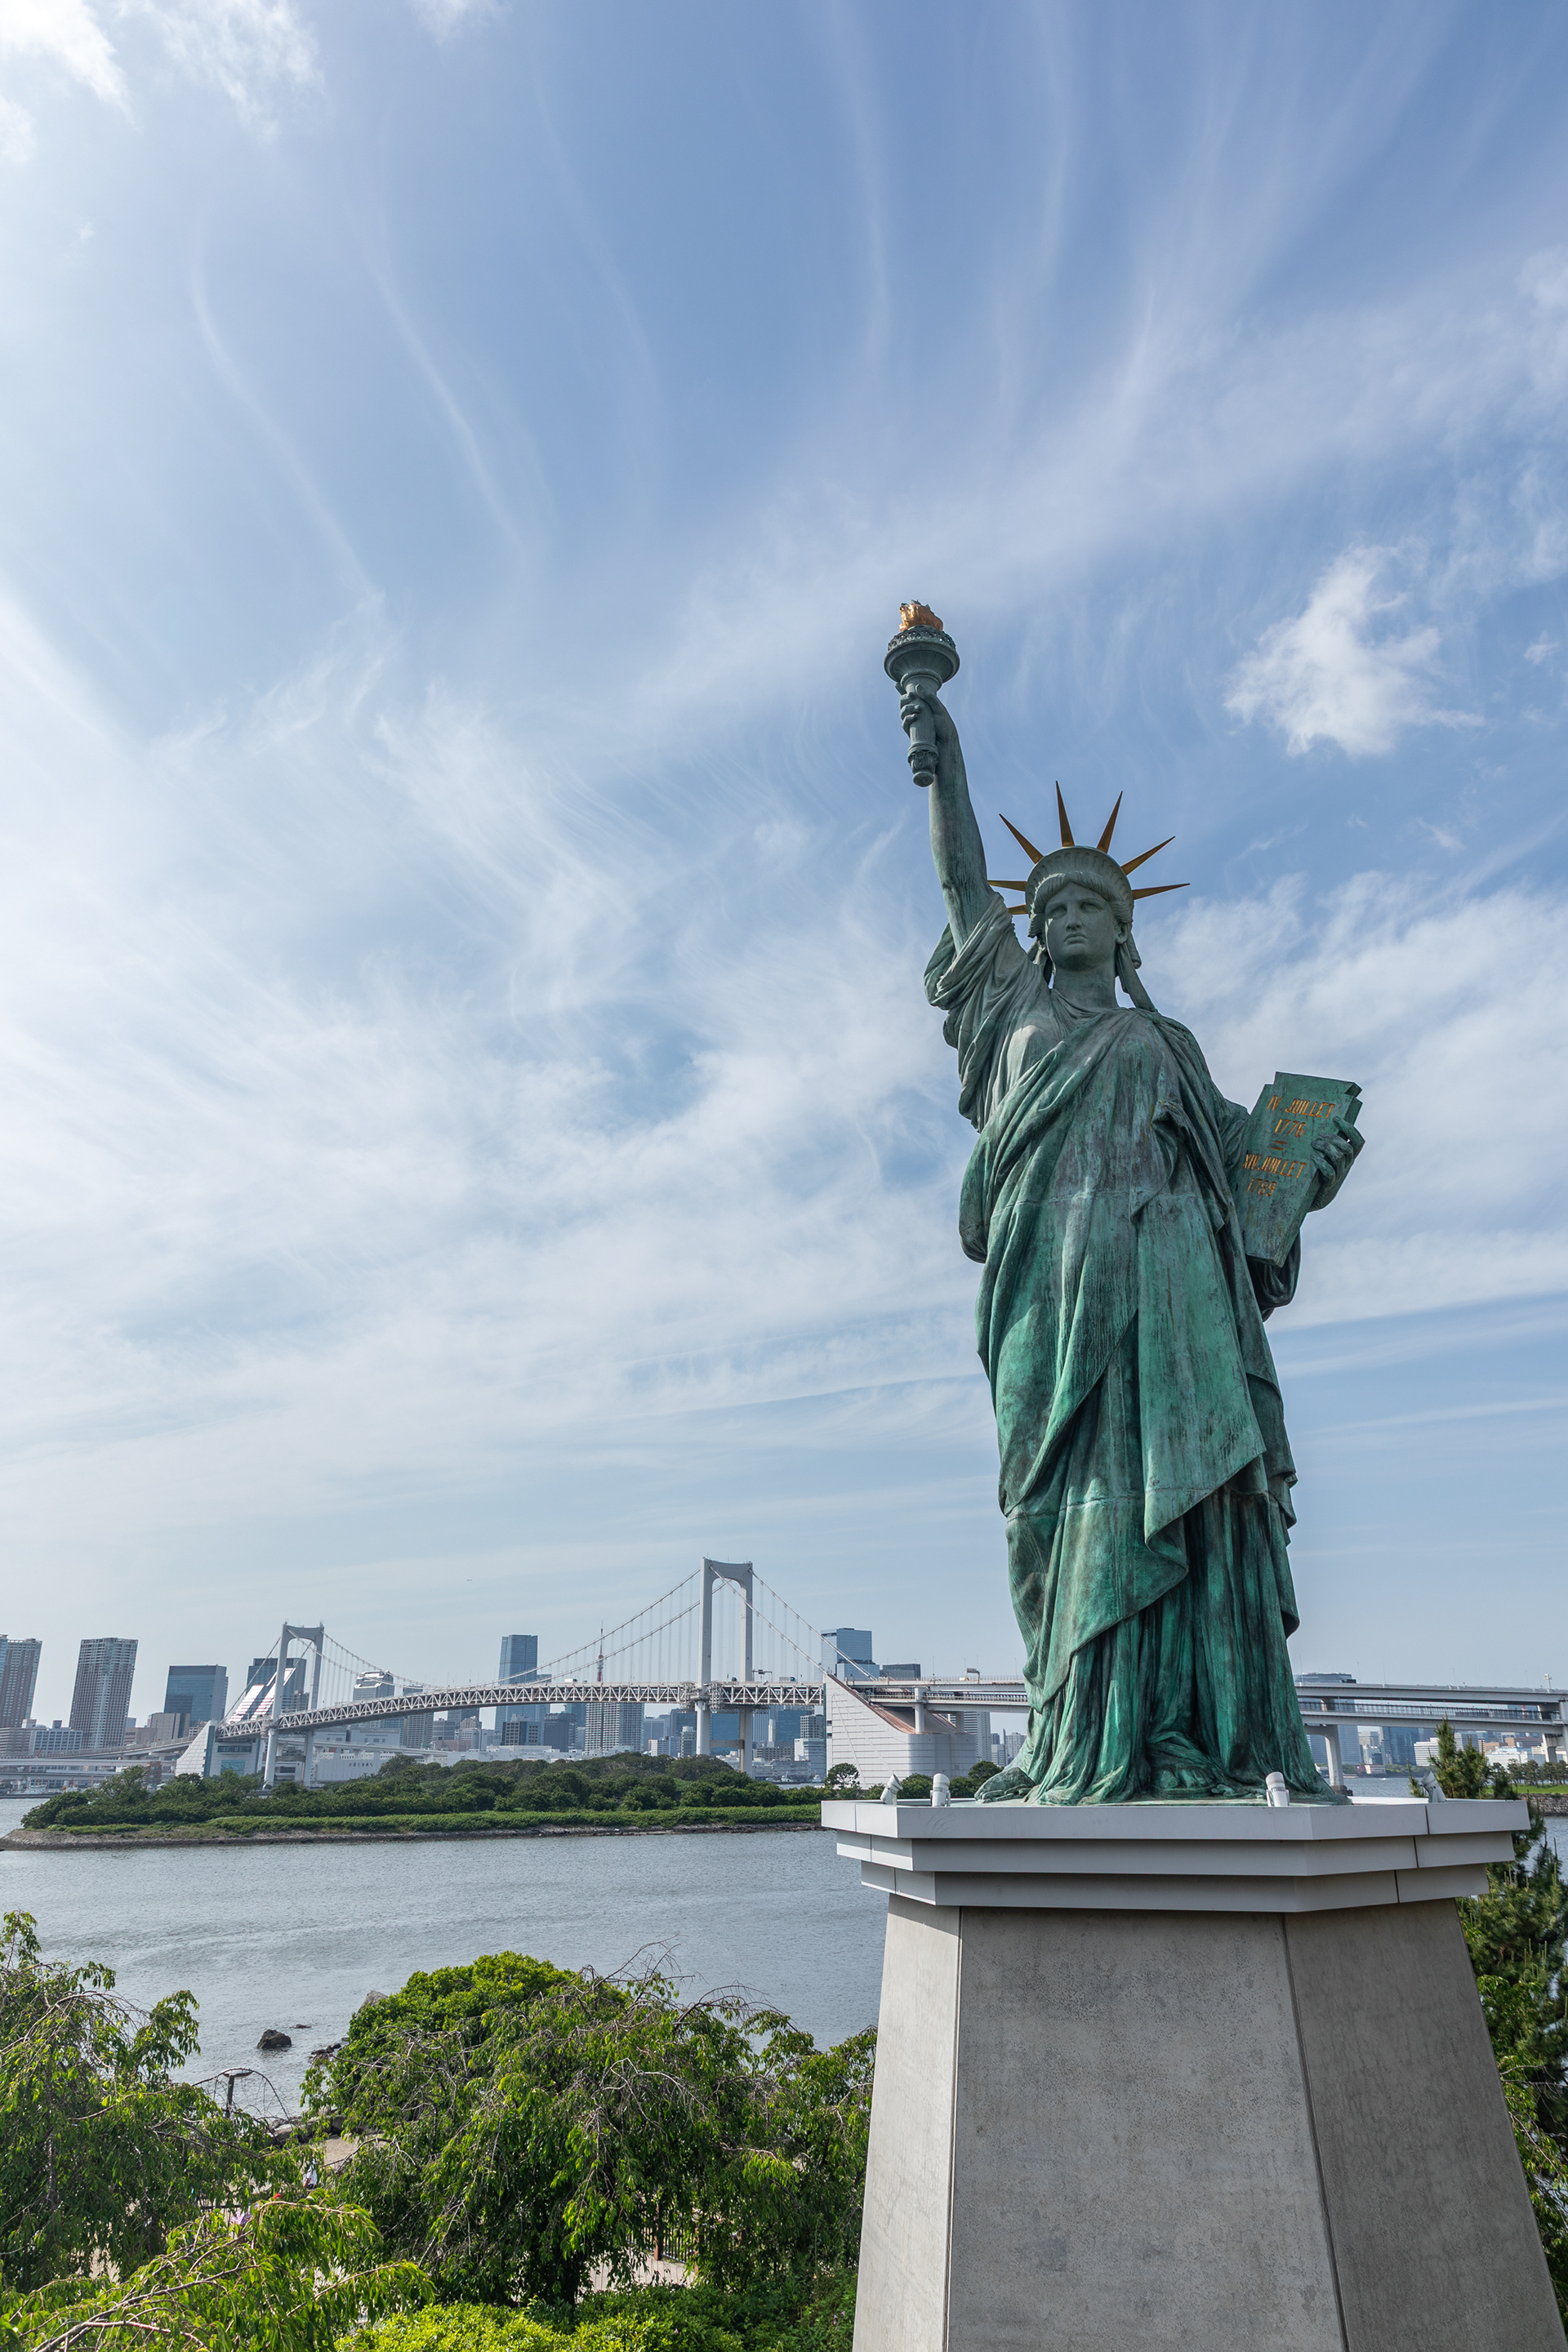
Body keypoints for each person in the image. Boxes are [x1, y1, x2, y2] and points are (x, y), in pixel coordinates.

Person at [902, 672, 1361, 1804]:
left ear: (1122, 928)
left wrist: (1313, 1171)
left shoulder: (1168, 1044)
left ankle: (1169, 1730)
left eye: (1086, 908)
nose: (1062, 921)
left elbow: (1245, 1195)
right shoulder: (1007, 1010)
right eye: (1048, 908)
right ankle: (1070, 1726)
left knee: (1181, 1507)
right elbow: (964, 884)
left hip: (1169, 1307)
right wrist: (942, 749)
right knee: (1047, 1513)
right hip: (1043, 1294)